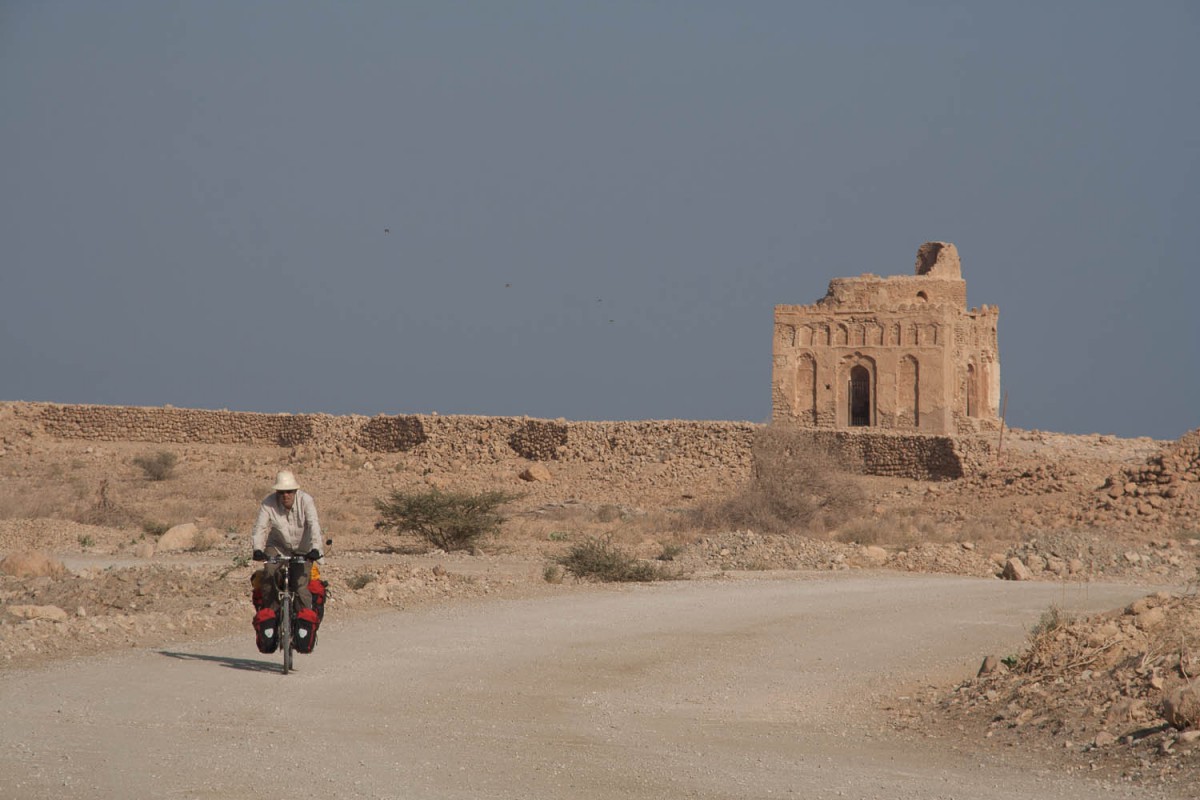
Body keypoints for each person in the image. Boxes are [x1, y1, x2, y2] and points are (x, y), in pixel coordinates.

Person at [250, 470, 324, 653]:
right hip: (277, 546)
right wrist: (257, 549)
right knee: (269, 575)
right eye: (282, 492)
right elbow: (260, 527)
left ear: (295, 490)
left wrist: (316, 549)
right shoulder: (268, 503)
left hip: (304, 547)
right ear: (277, 492)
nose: (286, 495)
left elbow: (314, 524)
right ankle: (271, 617)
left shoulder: (306, 501)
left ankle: (304, 625)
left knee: (301, 587)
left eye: (289, 491)